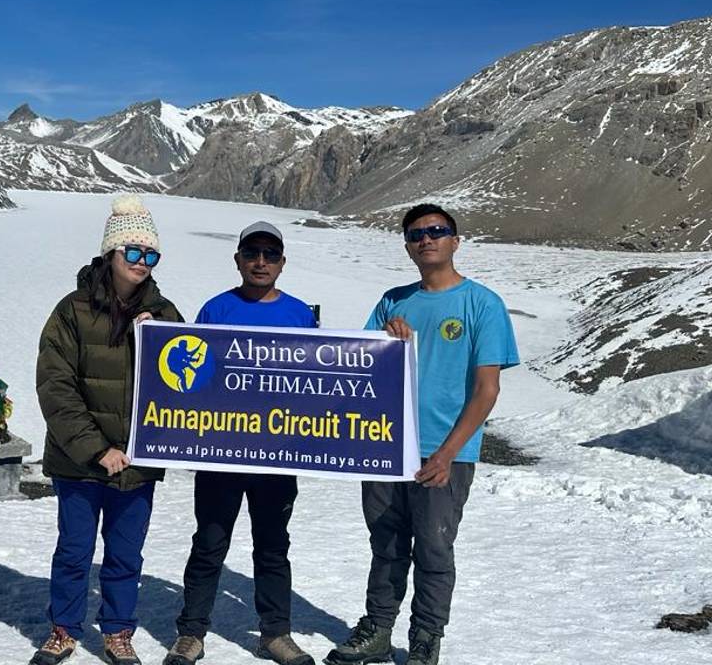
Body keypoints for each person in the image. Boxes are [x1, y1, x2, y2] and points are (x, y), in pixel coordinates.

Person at [325, 204, 519, 665]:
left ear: (455, 240)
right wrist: (387, 343)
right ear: (407, 245)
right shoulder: (393, 302)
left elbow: (487, 389)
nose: (426, 239)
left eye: (437, 231)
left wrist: (448, 453)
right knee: (387, 543)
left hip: (443, 451)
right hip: (385, 447)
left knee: (434, 546)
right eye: (416, 234)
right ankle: (377, 628)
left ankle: (425, 638)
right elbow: (360, 369)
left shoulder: (481, 304)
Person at [33, 194, 184, 665]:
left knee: (125, 554)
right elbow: (55, 387)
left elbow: (188, 381)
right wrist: (97, 448)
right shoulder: (72, 311)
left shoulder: (164, 314)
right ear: (110, 254)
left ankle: (118, 631)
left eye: (150, 254)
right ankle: (64, 629)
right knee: (75, 551)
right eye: (133, 252)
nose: (142, 262)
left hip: (137, 461)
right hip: (80, 460)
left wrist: (157, 336)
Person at [164, 221, 318, 665]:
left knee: (273, 545)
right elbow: (193, 378)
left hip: (275, 454)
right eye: (252, 253)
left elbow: (318, 383)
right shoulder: (216, 309)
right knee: (210, 542)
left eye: (271, 254)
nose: (261, 262)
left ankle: (275, 634)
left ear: (283, 263)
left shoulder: (299, 315)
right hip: (221, 453)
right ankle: (191, 633)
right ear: (238, 260)